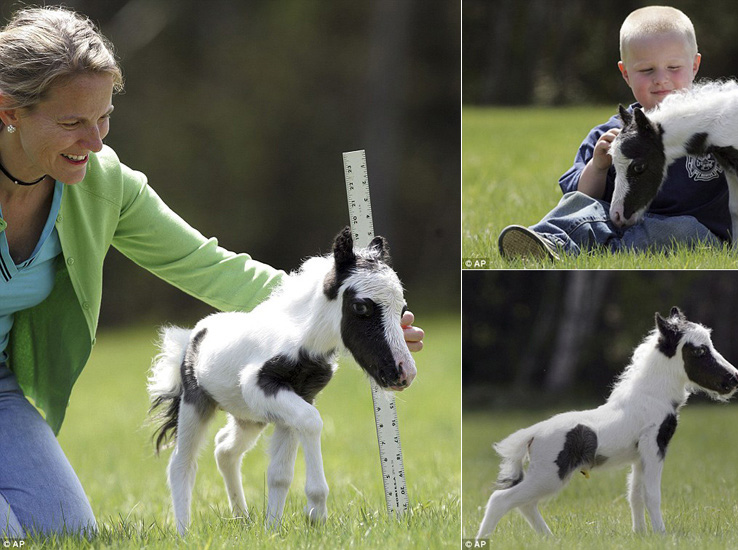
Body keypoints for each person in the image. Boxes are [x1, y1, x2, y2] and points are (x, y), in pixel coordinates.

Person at [0, 6, 424, 537]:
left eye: (103, 117)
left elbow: (209, 267)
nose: (97, 142)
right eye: (72, 123)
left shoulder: (103, 186)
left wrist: (335, 311)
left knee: (62, 533)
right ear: (9, 109)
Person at [498, 5, 738, 260]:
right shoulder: (612, 132)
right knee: (583, 211)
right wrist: (598, 166)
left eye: (673, 68)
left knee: (681, 230)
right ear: (625, 73)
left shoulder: (720, 109)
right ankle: (545, 240)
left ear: (695, 66)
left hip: (702, 231)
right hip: (621, 219)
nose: (661, 80)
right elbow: (581, 195)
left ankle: (593, 248)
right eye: (647, 71)